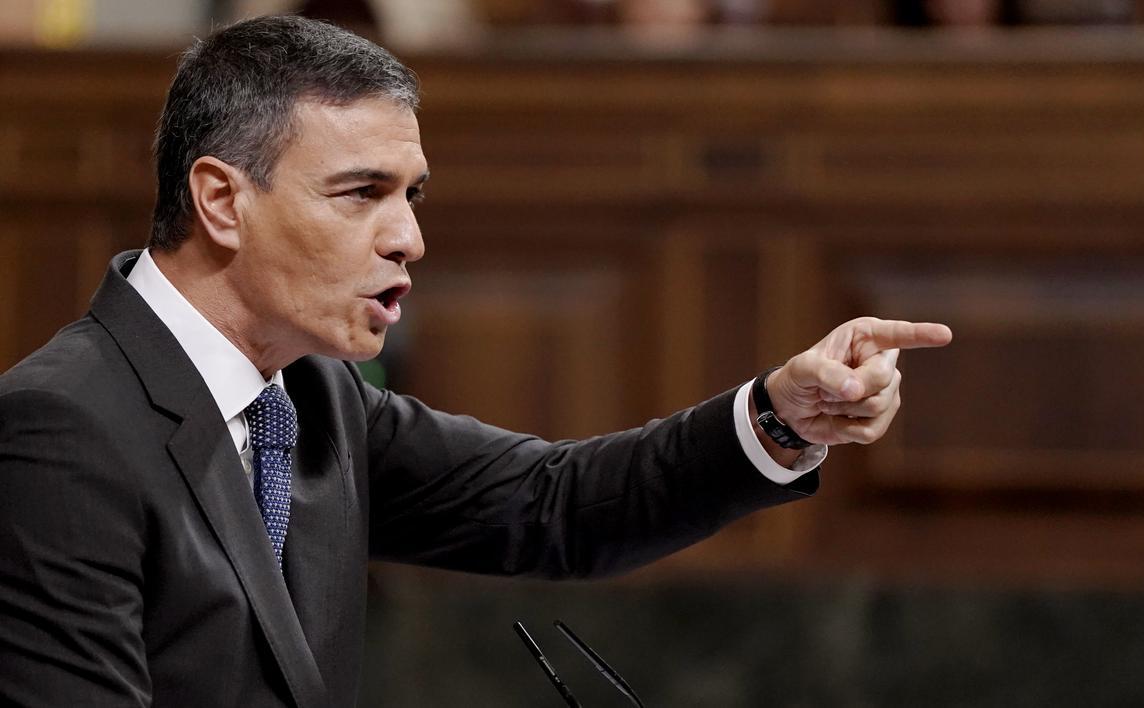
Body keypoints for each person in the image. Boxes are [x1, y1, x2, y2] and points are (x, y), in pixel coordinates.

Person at [0, 14, 952, 708]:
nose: (408, 237)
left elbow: (557, 506)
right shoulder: (64, 429)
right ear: (220, 200)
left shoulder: (312, 400)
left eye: (412, 194)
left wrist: (781, 419)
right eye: (361, 193)